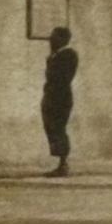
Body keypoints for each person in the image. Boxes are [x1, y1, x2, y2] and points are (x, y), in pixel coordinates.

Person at [41, 26, 78, 177]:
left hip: (60, 97)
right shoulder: (55, 55)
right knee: (51, 127)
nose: (50, 40)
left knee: (58, 127)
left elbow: (60, 77)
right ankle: (61, 161)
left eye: (54, 37)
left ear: (62, 39)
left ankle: (63, 163)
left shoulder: (68, 54)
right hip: (51, 96)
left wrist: (51, 59)